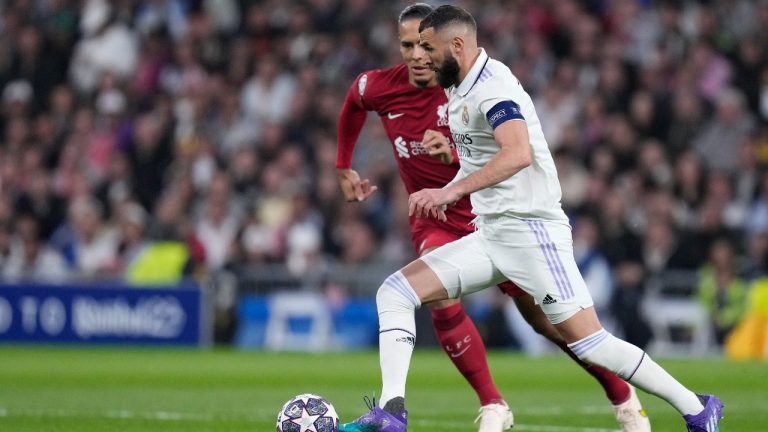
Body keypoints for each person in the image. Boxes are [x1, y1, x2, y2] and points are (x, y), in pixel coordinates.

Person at [339, 5, 724, 432]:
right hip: (491, 234)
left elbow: (518, 153)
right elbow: (478, 157)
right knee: (395, 292)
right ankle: (392, 413)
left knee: (591, 343)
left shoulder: (493, 87)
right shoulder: (458, 87)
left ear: (458, 45)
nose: (421, 59)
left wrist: (450, 190)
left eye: (429, 48)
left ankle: (695, 407)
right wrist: (451, 173)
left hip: (533, 235)